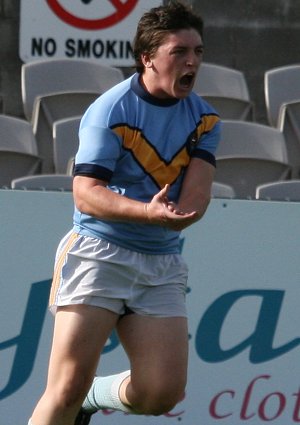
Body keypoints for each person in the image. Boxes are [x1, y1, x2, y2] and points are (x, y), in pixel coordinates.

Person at [28, 1, 221, 424]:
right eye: (179, 52)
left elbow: (198, 192)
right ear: (148, 57)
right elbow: (85, 194)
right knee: (64, 389)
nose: (193, 61)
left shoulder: (205, 118)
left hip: (161, 261)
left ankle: (93, 397)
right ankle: (79, 395)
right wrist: (148, 213)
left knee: (160, 394)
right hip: (99, 253)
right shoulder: (111, 111)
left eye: (198, 52)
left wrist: (183, 214)